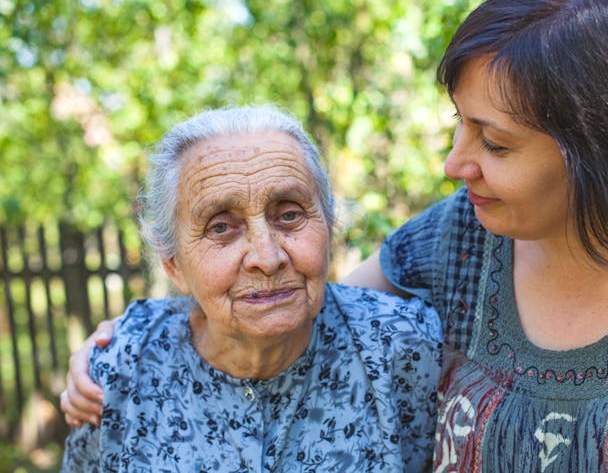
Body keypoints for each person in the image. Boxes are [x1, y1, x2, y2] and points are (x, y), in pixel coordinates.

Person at [63, 0, 608, 470]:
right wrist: (129, 343)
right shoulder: (460, 239)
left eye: (495, 142)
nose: (456, 163)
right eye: (460, 126)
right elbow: (294, 304)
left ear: (603, 147)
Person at [61, 105, 442, 472]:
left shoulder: (404, 346)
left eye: (290, 215)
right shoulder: (119, 370)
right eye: (221, 228)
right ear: (173, 264)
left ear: (329, 227)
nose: (267, 256)